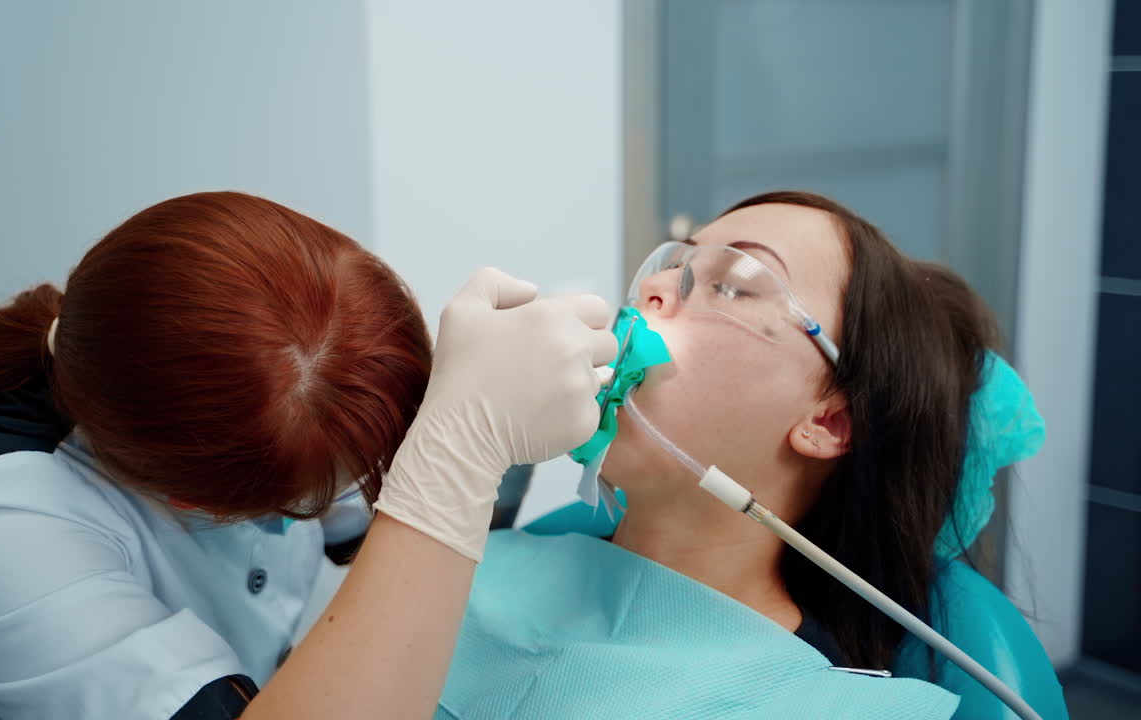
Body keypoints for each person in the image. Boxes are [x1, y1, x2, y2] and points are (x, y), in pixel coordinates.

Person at [0, 191, 617, 719]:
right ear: (205, 507)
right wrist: (457, 453)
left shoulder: (271, 360)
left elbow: (379, 543)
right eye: (312, 500)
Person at [434, 191, 1066, 719]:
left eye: (733, 285)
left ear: (829, 421)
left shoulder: (818, 704)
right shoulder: (473, 562)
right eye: (672, 265)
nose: (652, 286)